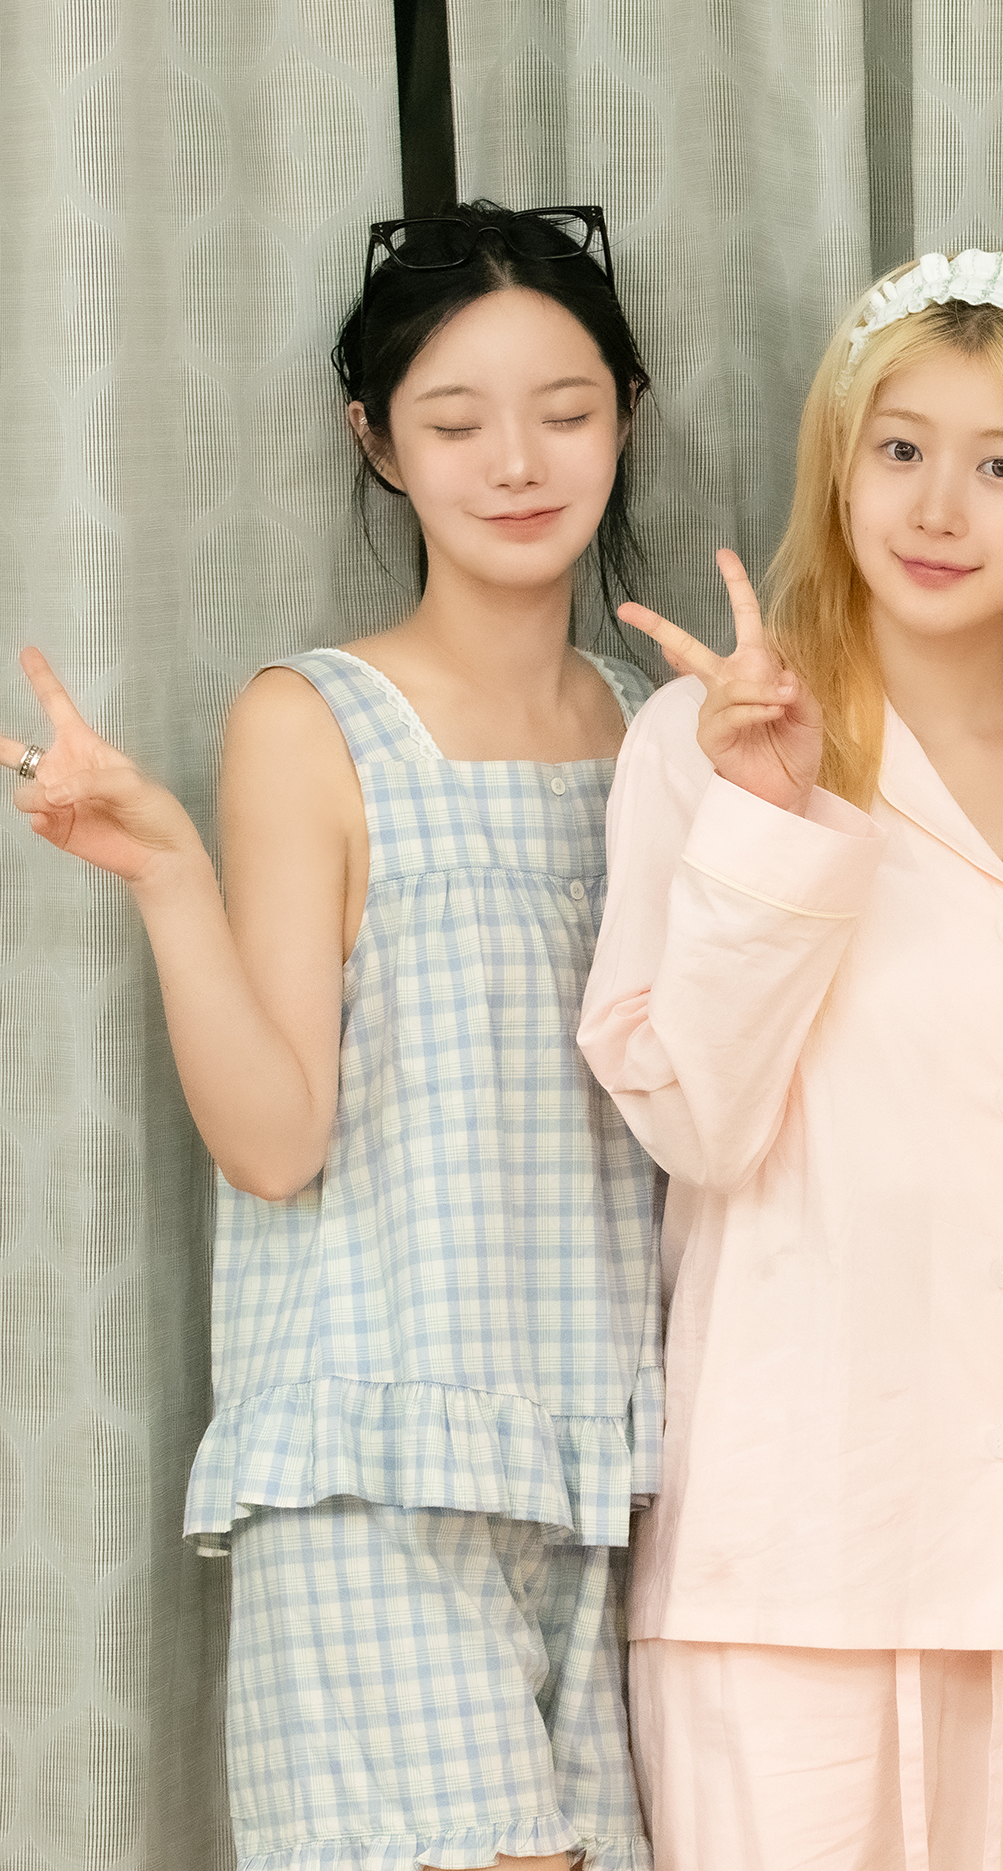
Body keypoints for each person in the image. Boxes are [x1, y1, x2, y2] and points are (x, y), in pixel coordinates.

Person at [8, 202, 661, 1870]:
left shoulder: (661, 735)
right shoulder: (312, 723)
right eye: (454, 423)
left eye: (566, 412)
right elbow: (274, 1141)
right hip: (380, 1463)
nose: (516, 463)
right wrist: (171, 876)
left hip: (612, 1478)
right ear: (378, 444)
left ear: (626, 420)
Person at [575, 248, 1003, 1870]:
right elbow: (696, 1122)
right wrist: (769, 820)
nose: (937, 508)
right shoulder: (700, 744)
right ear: (839, 464)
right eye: (900, 449)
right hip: (792, 1540)